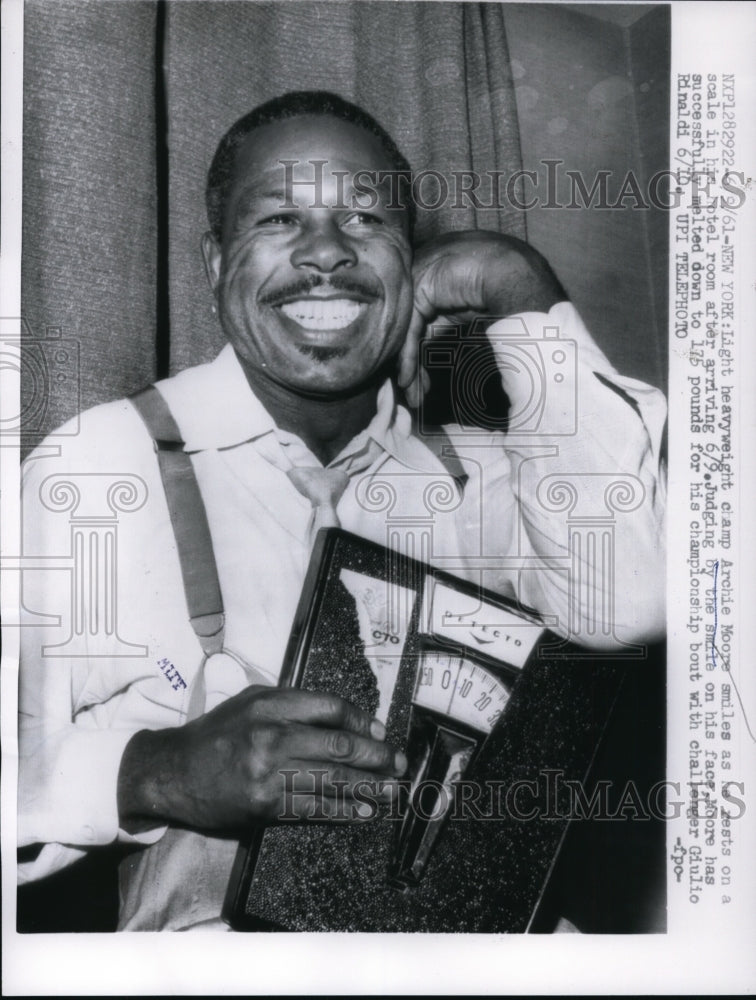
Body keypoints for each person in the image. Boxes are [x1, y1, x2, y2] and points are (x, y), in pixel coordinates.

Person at [18, 91, 666, 931]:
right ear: (216, 262)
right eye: (281, 219)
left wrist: (517, 284)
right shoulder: (106, 463)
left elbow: (628, 608)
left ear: (410, 258)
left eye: (366, 220)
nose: (326, 253)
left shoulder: (483, 474)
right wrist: (152, 769)